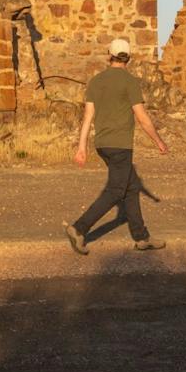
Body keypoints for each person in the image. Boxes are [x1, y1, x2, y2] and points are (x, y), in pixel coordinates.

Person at [64, 37, 168, 254]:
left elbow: (87, 117)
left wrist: (82, 147)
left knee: (131, 188)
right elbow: (142, 117)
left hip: (102, 144)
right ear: (128, 58)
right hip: (120, 146)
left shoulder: (96, 81)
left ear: (109, 56)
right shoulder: (130, 82)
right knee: (115, 191)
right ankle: (79, 228)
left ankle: (142, 237)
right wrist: (158, 141)